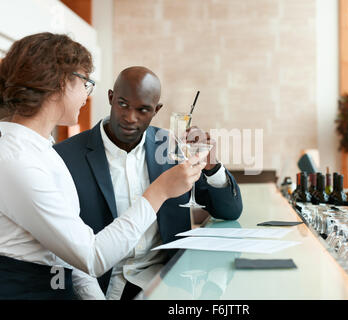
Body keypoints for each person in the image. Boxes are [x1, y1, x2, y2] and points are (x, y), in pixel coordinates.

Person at [0, 33, 206, 300]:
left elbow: (71, 259)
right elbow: (91, 256)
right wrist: (159, 192)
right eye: (85, 82)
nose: (87, 95)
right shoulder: (17, 162)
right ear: (60, 83)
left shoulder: (43, 153)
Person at [54, 66, 243, 300]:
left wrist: (212, 165)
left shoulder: (170, 148)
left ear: (157, 110)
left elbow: (229, 210)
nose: (130, 117)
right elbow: (63, 251)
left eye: (143, 109)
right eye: (123, 104)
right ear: (111, 98)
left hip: (169, 282)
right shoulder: (65, 157)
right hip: (104, 286)